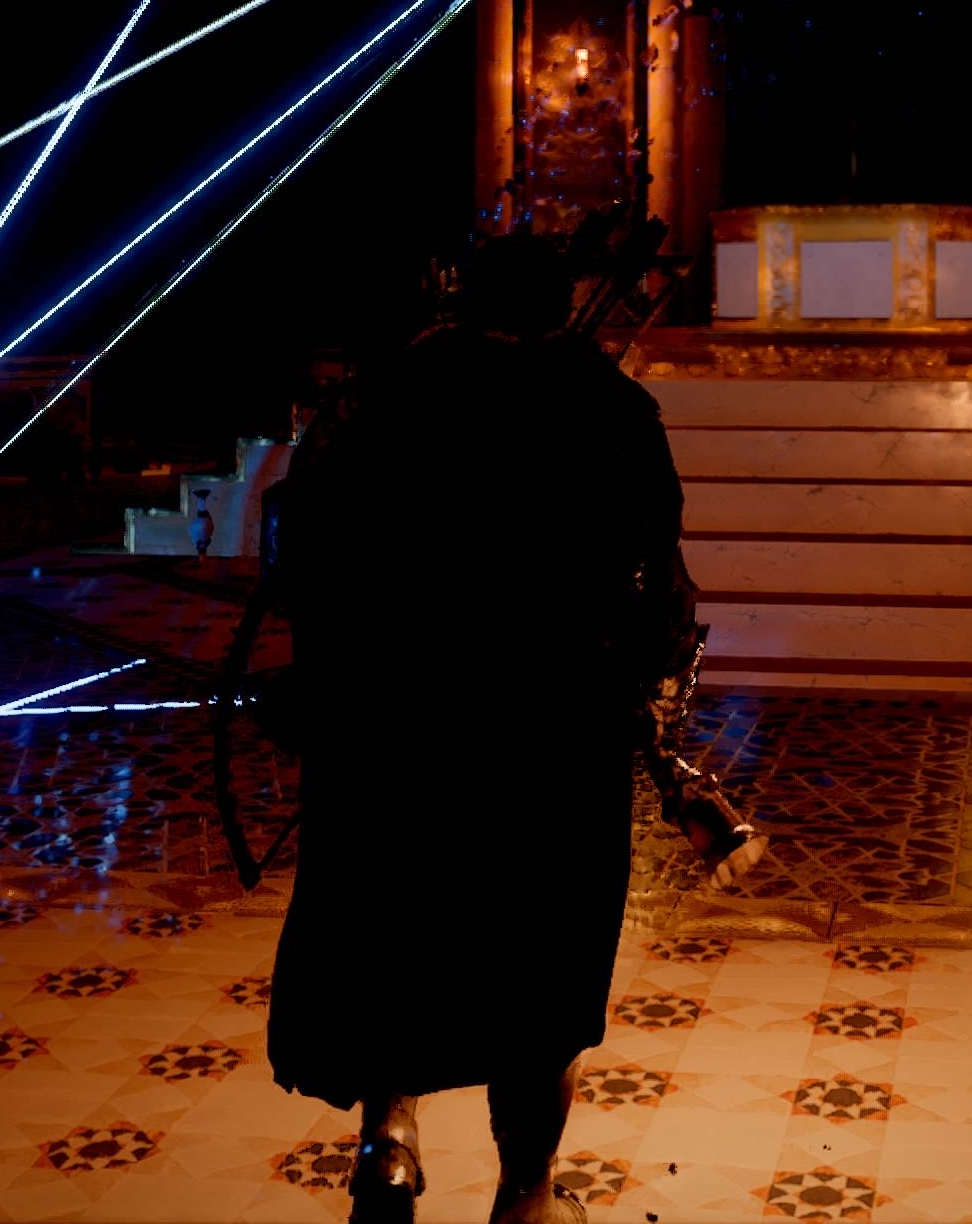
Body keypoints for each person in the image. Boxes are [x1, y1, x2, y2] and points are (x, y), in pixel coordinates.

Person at [262, 227, 694, 1224]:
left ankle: (387, 1142)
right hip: (550, 734)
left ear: (460, 301)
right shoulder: (609, 405)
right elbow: (659, 576)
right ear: (563, 303)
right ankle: (526, 1194)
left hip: (392, 727)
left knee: (394, 931)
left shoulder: (381, 395)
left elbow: (298, 549)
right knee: (542, 965)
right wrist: (650, 679)